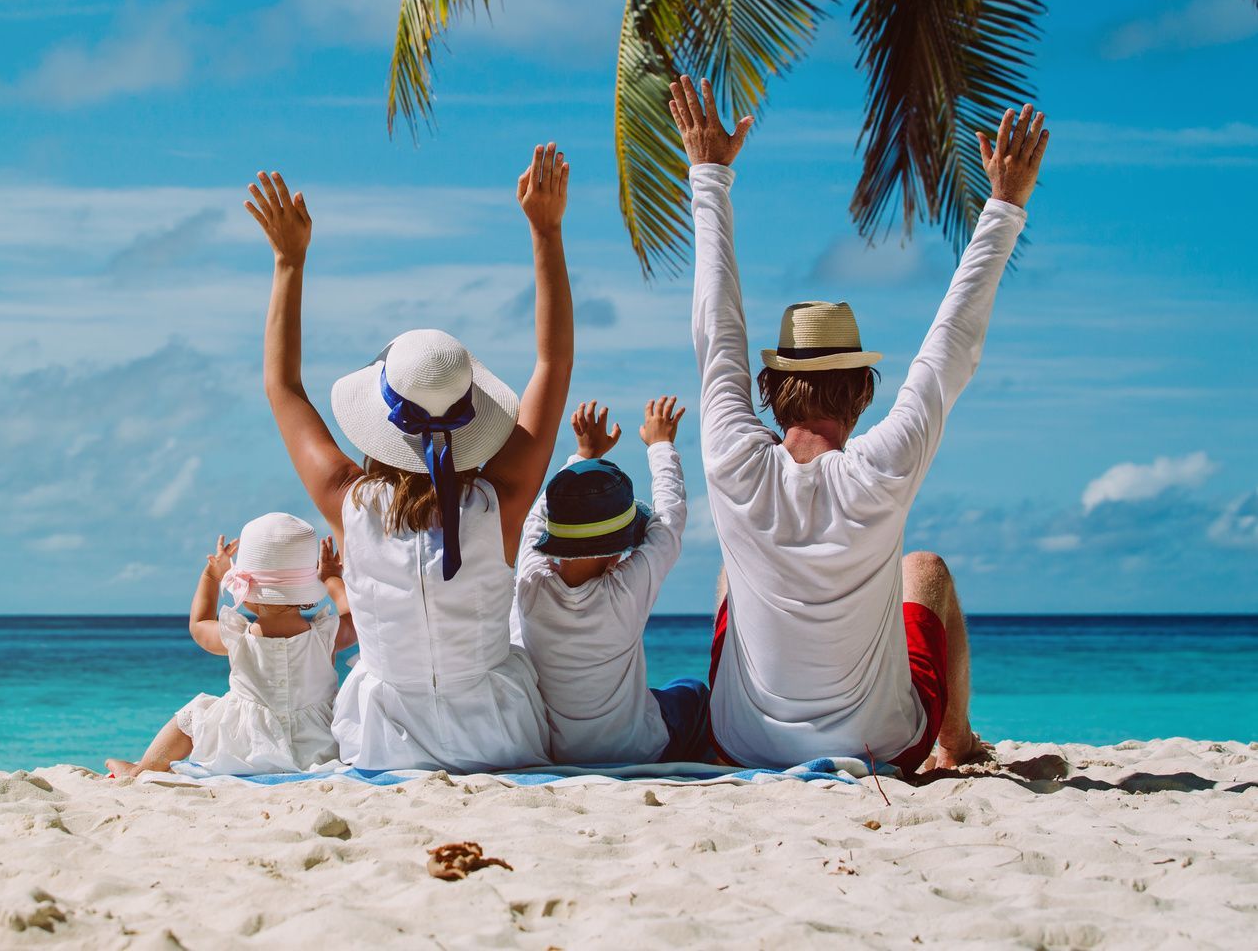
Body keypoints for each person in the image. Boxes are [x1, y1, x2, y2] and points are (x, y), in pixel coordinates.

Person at [671, 73, 1048, 773]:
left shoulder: (731, 455)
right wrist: (1002, 207)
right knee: (924, 570)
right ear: (862, 392)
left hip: (739, 745)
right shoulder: (881, 466)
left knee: (734, 569)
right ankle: (956, 742)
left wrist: (709, 175)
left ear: (767, 387)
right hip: (881, 746)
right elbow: (948, 351)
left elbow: (714, 328)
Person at [242, 144, 575, 772]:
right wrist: (546, 231)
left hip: (383, 740)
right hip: (497, 736)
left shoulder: (350, 502)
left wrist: (289, 262)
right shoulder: (499, 502)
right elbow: (553, 363)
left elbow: (282, 387)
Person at [512, 396, 710, 765]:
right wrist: (661, 444)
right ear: (620, 549)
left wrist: (583, 456)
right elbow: (670, 521)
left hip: (560, 751)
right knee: (692, 691)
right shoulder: (625, 591)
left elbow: (535, 523)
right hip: (639, 748)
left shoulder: (531, 586)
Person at [104, 513, 355, 777]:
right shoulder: (326, 634)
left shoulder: (237, 635)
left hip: (244, 745)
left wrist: (211, 577)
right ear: (307, 588)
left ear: (246, 593)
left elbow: (199, 624)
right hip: (317, 744)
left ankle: (143, 768)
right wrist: (332, 578)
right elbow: (355, 618)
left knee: (194, 713)